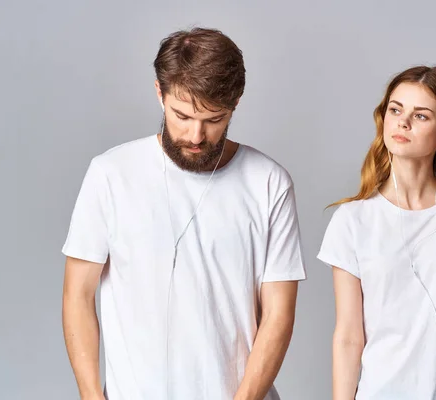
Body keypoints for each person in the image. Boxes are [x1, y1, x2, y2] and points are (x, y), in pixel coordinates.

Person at [61, 27, 306, 400]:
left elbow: (279, 314)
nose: (195, 135)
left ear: (235, 104)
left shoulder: (269, 183)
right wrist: (92, 396)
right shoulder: (110, 173)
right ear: (159, 93)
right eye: (182, 116)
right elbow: (78, 294)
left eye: (214, 120)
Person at [317, 65, 436, 400]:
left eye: (420, 116)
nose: (402, 122)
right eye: (395, 109)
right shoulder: (352, 220)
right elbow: (348, 336)